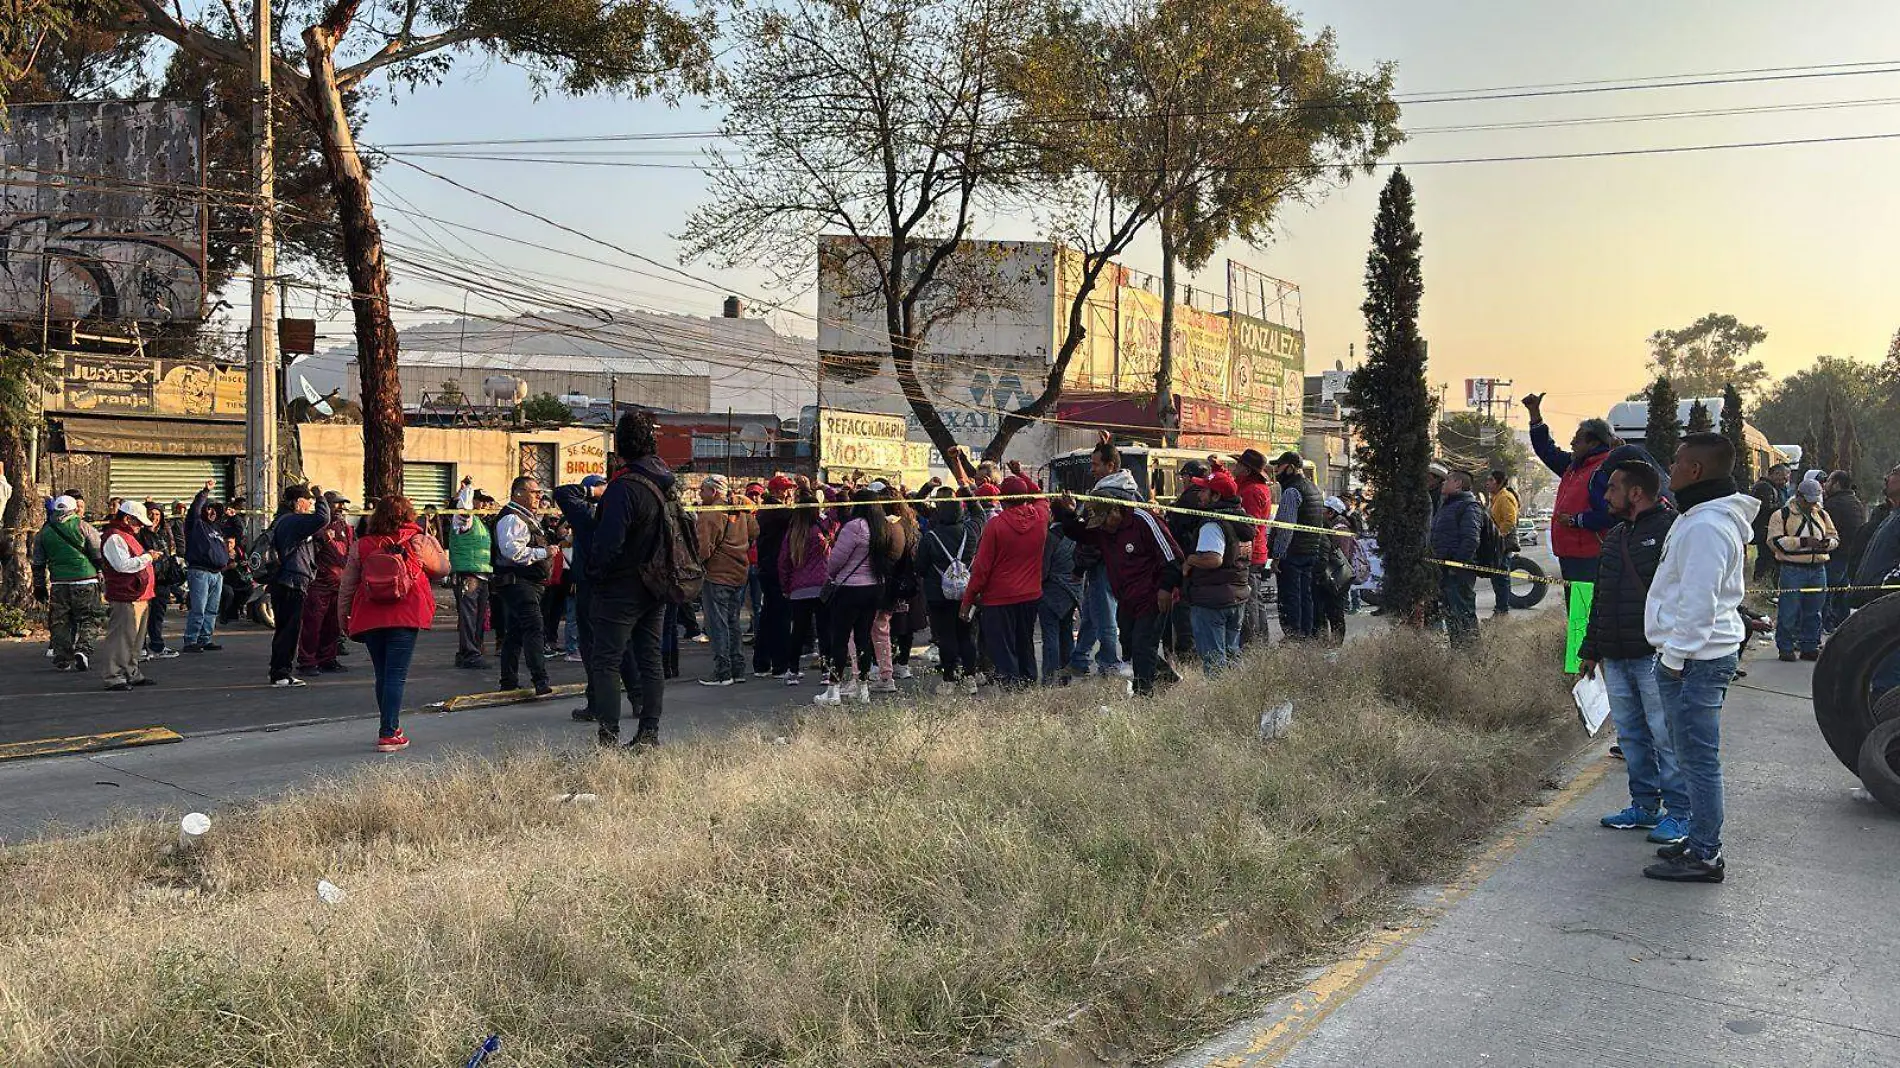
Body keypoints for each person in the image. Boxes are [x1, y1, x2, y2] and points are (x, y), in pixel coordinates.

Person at [1643, 433, 1758, 884]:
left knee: (1698, 758)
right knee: (1691, 755)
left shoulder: (1707, 525)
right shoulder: (1699, 517)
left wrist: (1674, 660)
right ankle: (1697, 839)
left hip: (1697, 661)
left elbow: (1698, 603)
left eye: (1675, 463)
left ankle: (1706, 855)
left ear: (1694, 471)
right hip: (1695, 657)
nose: (1668, 470)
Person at [1580, 460, 1691, 847]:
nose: (1605, 496)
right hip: (1616, 657)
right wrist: (1590, 650)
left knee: (1666, 735)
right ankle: (1644, 806)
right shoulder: (1614, 536)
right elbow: (1601, 598)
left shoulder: (1672, 531)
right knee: (1631, 737)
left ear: (1636, 492)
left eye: (1612, 488)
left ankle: (1681, 813)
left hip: (1654, 657)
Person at [586, 411, 677, 748]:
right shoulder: (664, 483)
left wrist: (595, 575)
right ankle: (649, 733)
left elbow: (608, 544)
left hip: (622, 587)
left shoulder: (624, 488)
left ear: (620, 446)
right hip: (656, 584)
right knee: (650, 658)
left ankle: (608, 738)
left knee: (607, 660)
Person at [1051, 467, 1182, 697]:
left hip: (1153, 596)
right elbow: (1080, 534)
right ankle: (1167, 677)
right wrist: (1069, 514)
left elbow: (1173, 557)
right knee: (1130, 643)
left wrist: (1166, 588)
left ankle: (1144, 695)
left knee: (1143, 644)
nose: (1102, 526)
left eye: (1105, 520)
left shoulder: (1144, 520)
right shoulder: (1103, 529)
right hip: (1128, 598)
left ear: (1117, 508)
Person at [337, 495, 451, 752]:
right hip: (405, 614)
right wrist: (430, 539)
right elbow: (443, 569)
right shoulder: (416, 540)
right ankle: (388, 732)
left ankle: (390, 726)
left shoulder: (363, 544)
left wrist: (343, 617)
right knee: (396, 676)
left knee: (383, 674)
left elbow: (347, 585)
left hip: (370, 615)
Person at [960, 473, 1049, 689]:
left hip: (998, 599)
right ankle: (1028, 684)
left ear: (1003, 499)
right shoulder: (1040, 517)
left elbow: (981, 569)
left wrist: (967, 601)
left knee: (1003, 647)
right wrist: (1022, 475)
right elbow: (1042, 497)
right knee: (1024, 642)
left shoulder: (996, 526)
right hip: (1030, 595)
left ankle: (1011, 689)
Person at [1523, 394, 1616, 588]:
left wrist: (1575, 520)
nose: (1572, 444)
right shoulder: (1574, 466)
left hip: (1589, 557)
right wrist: (1534, 415)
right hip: (1571, 554)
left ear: (1593, 443)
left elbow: (1609, 515)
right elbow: (1547, 451)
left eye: (1577, 440)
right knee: (1578, 612)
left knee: (1582, 614)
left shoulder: (1602, 470)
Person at [1180, 469, 1254, 673]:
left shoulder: (1213, 524)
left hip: (1212, 601)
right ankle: (1235, 698)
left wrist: (1190, 560)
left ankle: (1218, 702)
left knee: (1214, 662)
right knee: (1232, 657)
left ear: (1216, 496)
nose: (1199, 495)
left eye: (1204, 491)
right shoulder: (1241, 520)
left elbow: (1213, 559)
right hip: (1236, 596)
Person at [1070, 438, 1128, 677]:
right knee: (1092, 613)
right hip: (1114, 562)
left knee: (1105, 617)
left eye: (1095, 465)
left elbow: (1090, 536)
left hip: (1102, 564)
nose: (1091, 470)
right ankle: (1080, 657)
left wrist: (1079, 566)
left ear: (1110, 466)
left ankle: (1109, 662)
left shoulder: (1104, 494)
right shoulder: (1128, 487)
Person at [492, 475, 554, 697]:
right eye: (534, 492)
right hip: (519, 583)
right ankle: (540, 680)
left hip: (526, 583)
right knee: (534, 627)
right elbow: (512, 551)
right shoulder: (513, 518)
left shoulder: (527, 518)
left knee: (516, 632)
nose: (539, 496)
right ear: (518, 493)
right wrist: (544, 552)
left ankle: (508, 680)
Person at [265, 484, 332, 687]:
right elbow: (323, 518)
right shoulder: (292, 521)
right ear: (297, 502)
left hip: (283, 579)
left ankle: (279, 670)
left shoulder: (280, 520)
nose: (310, 505)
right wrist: (321, 497)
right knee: (289, 629)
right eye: (308, 501)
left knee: (284, 628)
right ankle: (281, 673)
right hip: (291, 581)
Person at [1766, 478, 1839, 662]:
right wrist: (1803, 543)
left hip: (1818, 568)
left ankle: (1810, 645)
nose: (1812, 504)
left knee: (1814, 610)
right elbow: (1775, 542)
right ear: (1798, 496)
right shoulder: (1781, 515)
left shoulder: (1822, 514)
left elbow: (1834, 536)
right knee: (1789, 610)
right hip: (1793, 568)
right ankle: (1786, 647)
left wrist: (1827, 544)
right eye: (1809, 500)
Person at [694, 474, 756, 687]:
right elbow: (755, 531)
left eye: (702, 490)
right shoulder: (740, 509)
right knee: (733, 622)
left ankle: (722, 672)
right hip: (739, 572)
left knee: (717, 624)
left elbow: (703, 548)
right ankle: (738, 669)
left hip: (717, 574)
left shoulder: (711, 513)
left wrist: (696, 564)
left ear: (714, 491)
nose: (700, 494)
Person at [919, 489, 982, 695]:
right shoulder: (971, 532)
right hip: (967, 593)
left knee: (946, 636)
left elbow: (919, 566)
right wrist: (967, 493)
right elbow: (980, 515)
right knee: (967, 635)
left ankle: (949, 679)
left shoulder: (930, 537)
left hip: (939, 595)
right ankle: (970, 677)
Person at [98, 500, 161, 691]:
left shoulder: (126, 535)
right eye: (137, 522)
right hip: (125, 595)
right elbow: (122, 565)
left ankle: (131, 672)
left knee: (135, 639)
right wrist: (148, 557)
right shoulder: (115, 537)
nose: (140, 526)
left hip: (138, 594)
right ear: (127, 518)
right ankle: (114, 675)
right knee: (121, 638)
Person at [38, 495, 104, 672]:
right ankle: (83, 649)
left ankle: (62, 656)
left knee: (60, 621)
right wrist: (100, 570)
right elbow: (97, 552)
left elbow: (37, 562)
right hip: (86, 580)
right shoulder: (83, 526)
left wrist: (39, 586)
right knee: (91, 618)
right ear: (74, 509)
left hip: (59, 583)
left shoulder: (45, 531)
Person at [1268, 451, 1326, 641]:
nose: (1276, 471)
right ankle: (1305, 636)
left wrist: (1277, 555)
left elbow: (1286, 529)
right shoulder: (1314, 489)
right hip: (1310, 551)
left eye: (1279, 466)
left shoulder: (1292, 491)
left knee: (1290, 598)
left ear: (1291, 467)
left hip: (1292, 554)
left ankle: (1293, 637)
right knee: (1305, 597)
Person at [295, 491, 353, 676]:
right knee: (313, 626)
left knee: (333, 626)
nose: (341, 508)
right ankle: (307, 661)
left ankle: (327, 658)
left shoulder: (346, 528)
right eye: (337, 504)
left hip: (338, 585)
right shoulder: (316, 527)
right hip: (318, 585)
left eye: (342, 504)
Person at [777, 488, 831, 686]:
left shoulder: (793, 534)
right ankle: (827, 672)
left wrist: (785, 586)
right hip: (822, 586)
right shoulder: (822, 531)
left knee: (798, 631)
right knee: (825, 631)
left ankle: (793, 670)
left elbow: (783, 562)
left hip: (799, 589)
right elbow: (835, 512)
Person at [1431, 469, 1485, 647]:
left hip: (1458, 573)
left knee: (1463, 615)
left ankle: (1470, 656)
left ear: (1458, 484)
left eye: (1447, 480)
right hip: (1445, 571)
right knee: (1452, 616)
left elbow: (1471, 540)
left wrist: (1456, 566)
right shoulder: (1447, 505)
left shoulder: (1469, 506)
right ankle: (1458, 653)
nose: (1443, 483)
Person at [752, 474, 799, 679]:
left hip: (767, 568)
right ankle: (780, 664)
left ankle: (762, 663)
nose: (790, 493)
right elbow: (799, 517)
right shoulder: (777, 511)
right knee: (780, 617)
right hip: (776, 569)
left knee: (768, 616)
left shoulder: (769, 511)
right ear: (779, 491)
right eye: (787, 489)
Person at [445, 480, 494, 670]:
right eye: (479, 501)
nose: (483, 505)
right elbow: (464, 508)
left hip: (480, 573)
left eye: (484, 501)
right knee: (469, 615)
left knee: (477, 616)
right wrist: (468, 489)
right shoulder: (463, 518)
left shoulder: (480, 521)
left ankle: (469, 651)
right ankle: (470, 653)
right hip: (468, 575)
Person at [1233, 449, 1275, 645]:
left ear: (1247, 470)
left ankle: (1252, 644)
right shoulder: (1258, 488)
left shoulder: (1250, 491)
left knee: (1249, 601)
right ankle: (1260, 642)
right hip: (1257, 551)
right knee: (1256, 600)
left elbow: (1249, 526)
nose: (1235, 468)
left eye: (1239, 465)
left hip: (1250, 551)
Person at [181, 482, 229, 652]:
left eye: (214, 509)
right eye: (208, 508)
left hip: (217, 574)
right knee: (199, 609)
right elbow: (194, 509)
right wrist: (205, 492)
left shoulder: (216, 529)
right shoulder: (195, 524)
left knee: (211, 609)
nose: (211, 512)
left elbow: (237, 529)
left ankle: (205, 639)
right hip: (200, 572)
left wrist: (233, 516)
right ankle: (191, 640)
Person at [1039, 513, 1083, 686]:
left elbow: (1044, 568)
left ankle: (1050, 676)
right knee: (1066, 633)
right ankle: (1066, 675)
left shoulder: (1051, 537)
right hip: (1072, 591)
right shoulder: (1077, 536)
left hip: (1052, 590)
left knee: (1050, 635)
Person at [137, 501, 182, 660]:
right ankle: (140, 647)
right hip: (145, 579)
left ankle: (157, 645)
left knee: (157, 615)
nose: (154, 517)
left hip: (163, 579)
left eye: (157, 514)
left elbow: (173, 551)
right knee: (142, 615)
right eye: (151, 514)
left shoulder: (165, 531)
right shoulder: (139, 533)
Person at [1821, 470, 1866, 632]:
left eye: (1829, 482)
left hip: (1836, 554)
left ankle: (1827, 623)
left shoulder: (1833, 504)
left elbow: (1827, 530)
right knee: (1842, 593)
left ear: (1837, 484)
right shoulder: (1856, 502)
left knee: (1827, 592)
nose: (1825, 485)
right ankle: (1842, 624)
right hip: (1850, 555)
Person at [1748, 463, 1792, 588]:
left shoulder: (1774, 488)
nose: (1785, 481)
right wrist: (1784, 509)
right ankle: (1761, 585)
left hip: (1769, 530)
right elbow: (1765, 509)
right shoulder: (1764, 487)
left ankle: (1766, 585)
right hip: (1765, 531)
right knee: (1766, 560)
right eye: (1784, 477)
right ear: (1775, 474)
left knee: (1770, 560)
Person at [1485, 470, 1521, 618]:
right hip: (1496, 544)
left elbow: (1509, 521)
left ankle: (1502, 612)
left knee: (1501, 579)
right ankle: (1499, 610)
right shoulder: (1495, 497)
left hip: (1503, 544)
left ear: (1499, 482)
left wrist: (1498, 536)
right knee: (1497, 578)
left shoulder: (1505, 497)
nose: (1487, 483)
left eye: (1491, 480)